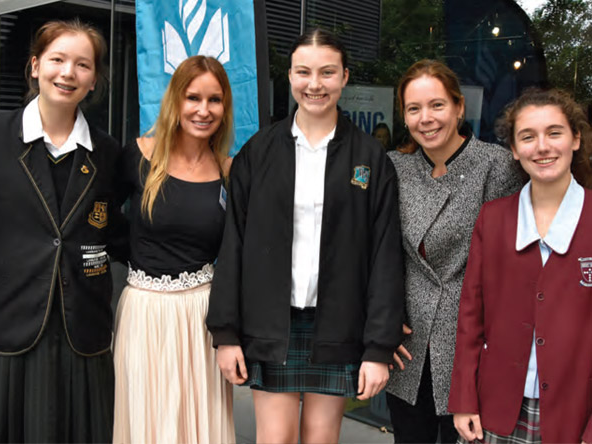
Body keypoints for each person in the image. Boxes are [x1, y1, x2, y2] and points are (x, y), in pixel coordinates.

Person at [207, 28, 405, 444]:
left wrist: (377, 349)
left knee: (320, 438)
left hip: (337, 323)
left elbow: (384, 257)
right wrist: (226, 334)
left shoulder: (369, 157)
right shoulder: (258, 153)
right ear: (291, 77)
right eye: (304, 72)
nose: (315, 84)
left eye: (327, 72)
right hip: (270, 322)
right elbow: (234, 245)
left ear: (345, 77)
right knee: (274, 438)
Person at [0, 19, 126, 442]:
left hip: (83, 329)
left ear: (94, 79)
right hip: (10, 325)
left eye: (83, 65)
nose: (68, 73)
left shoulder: (107, 151)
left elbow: (114, 233)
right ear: (34, 66)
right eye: (57, 59)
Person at [385, 59, 522, 443]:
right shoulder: (395, 169)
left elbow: (510, 266)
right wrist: (382, 319)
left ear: (460, 107)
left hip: (470, 350)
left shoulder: (498, 166)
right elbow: (376, 254)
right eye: (414, 109)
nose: (425, 118)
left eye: (437, 105)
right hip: (408, 349)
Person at [449, 88, 592, 444]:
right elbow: (470, 317)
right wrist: (464, 398)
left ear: (576, 139)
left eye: (554, 132)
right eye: (527, 137)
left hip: (575, 414)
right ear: (513, 149)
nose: (542, 147)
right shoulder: (494, 218)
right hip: (495, 409)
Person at [113, 55, 235, 444]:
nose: (203, 110)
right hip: (144, 313)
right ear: (174, 100)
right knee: (147, 422)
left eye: (214, 100)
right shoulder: (137, 155)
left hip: (201, 317)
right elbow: (100, 220)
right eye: (193, 97)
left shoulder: (228, 170)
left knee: (198, 424)